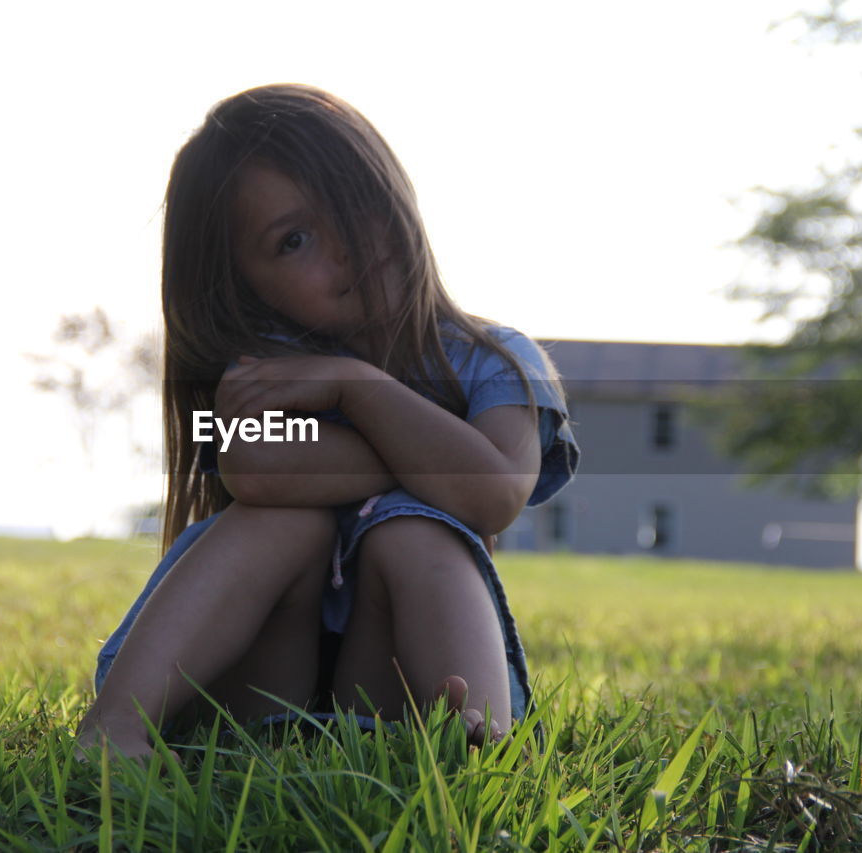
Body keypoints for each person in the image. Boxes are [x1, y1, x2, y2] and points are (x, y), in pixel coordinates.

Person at [76, 83, 580, 762]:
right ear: (244, 287)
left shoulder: (497, 363)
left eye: (354, 198)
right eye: (294, 240)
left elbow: (492, 493)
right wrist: (424, 464)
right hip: (262, 691)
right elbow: (252, 467)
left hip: (389, 693)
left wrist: (358, 389)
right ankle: (116, 727)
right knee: (287, 517)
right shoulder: (271, 371)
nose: (346, 243)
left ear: (393, 186)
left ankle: (482, 743)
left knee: (419, 531)